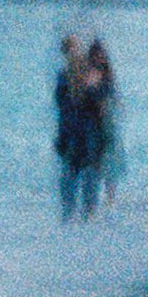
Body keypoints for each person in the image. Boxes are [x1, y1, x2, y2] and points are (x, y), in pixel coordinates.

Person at [53, 37, 96, 221]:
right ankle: (73, 215)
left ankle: (83, 215)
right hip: (72, 131)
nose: (71, 54)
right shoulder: (64, 76)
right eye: (68, 50)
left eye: (73, 49)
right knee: (72, 176)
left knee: (82, 175)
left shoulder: (84, 75)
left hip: (83, 131)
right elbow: (62, 107)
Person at [84, 37, 120, 212]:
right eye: (96, 56)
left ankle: (109, 199)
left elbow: (111, 100)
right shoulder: (92, 76)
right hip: (96, 124)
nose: (99, 59)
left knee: (109, 161)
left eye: (101, 56)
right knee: (97, 162)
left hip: (106, 123)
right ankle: (95, 202)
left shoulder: (105, 76)